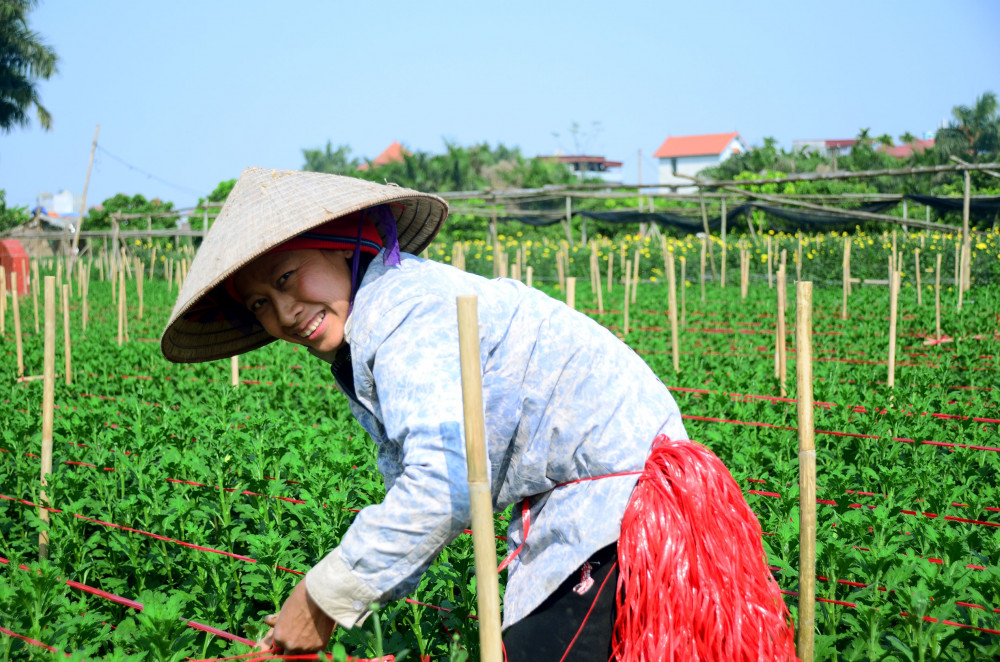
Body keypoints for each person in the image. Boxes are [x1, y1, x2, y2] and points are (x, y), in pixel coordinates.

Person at [162, 167, 797, 661]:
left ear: (343, 244)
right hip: (598, 501)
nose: (283, 311)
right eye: (259, 305)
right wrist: (346, 596)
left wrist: (323, 599)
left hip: (622, 506)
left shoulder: (404, 312)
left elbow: (440, 486)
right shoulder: (375, 328)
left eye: (288, 275)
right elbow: (421, 491)